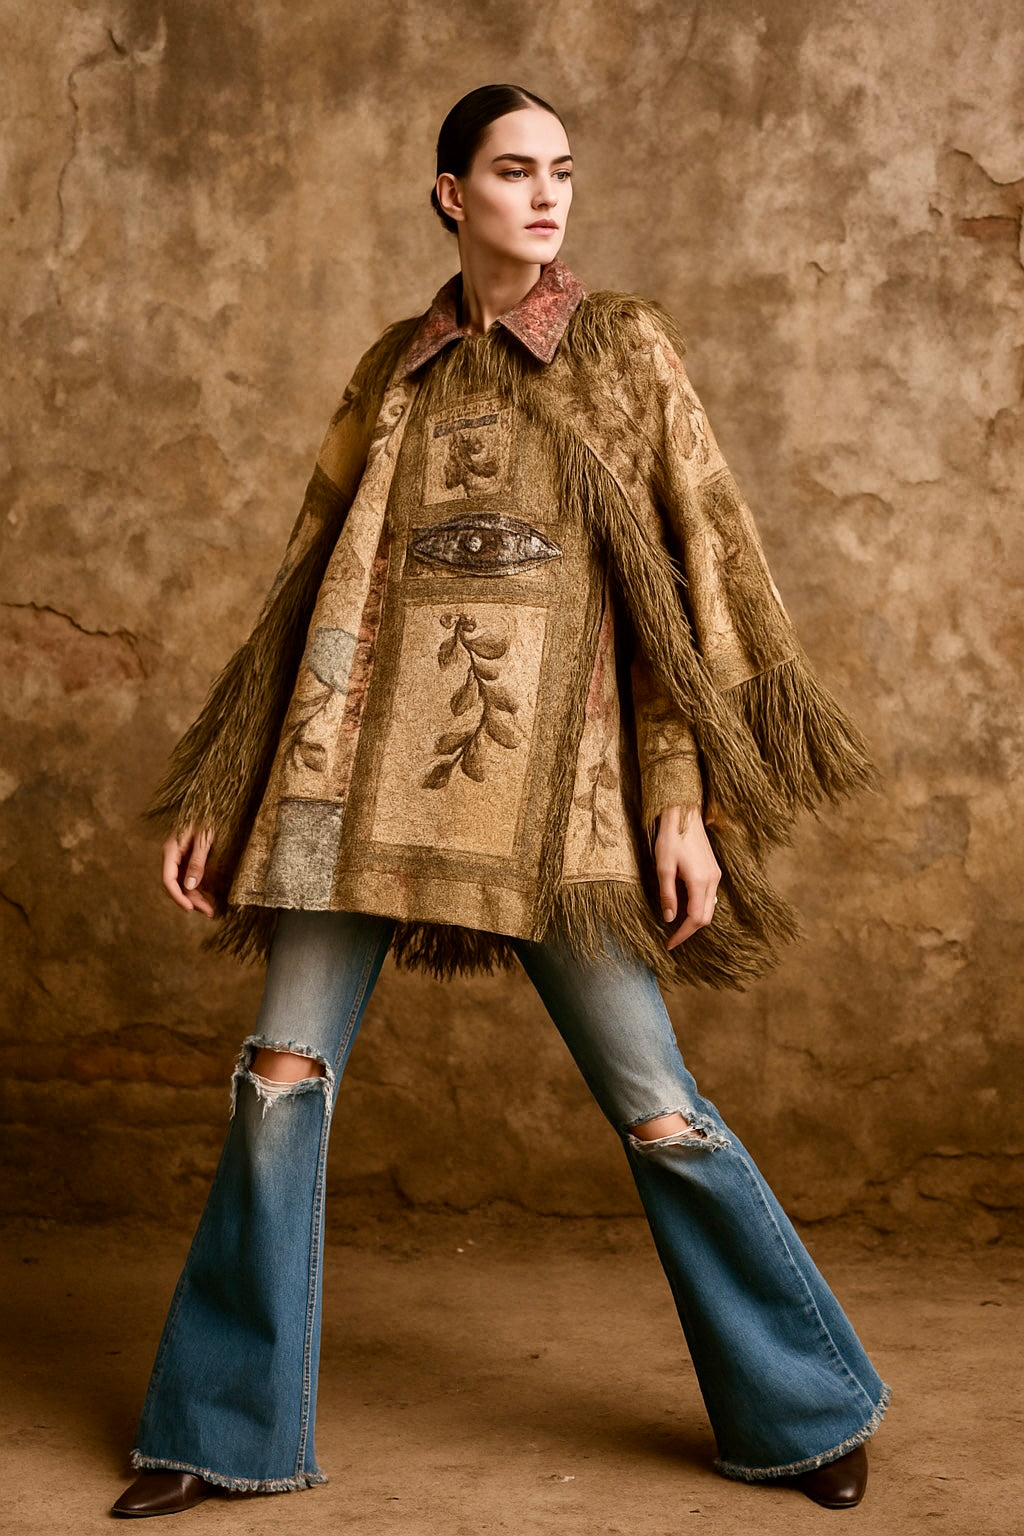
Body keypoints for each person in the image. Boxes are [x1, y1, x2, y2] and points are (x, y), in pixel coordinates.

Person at [112, 83, 889, 1519]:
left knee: (657, 1106)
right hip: (348, 788)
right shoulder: (393, 369)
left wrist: (680, 803)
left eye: (562, 173)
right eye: (514, 171)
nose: (545, 197)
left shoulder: (621, 347)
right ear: (448, 194)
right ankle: (217, 1429)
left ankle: (807, 1408)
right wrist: (228, 784)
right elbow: (304, 589)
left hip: (563, 800)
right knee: (278, 1084)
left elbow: (678, 593)